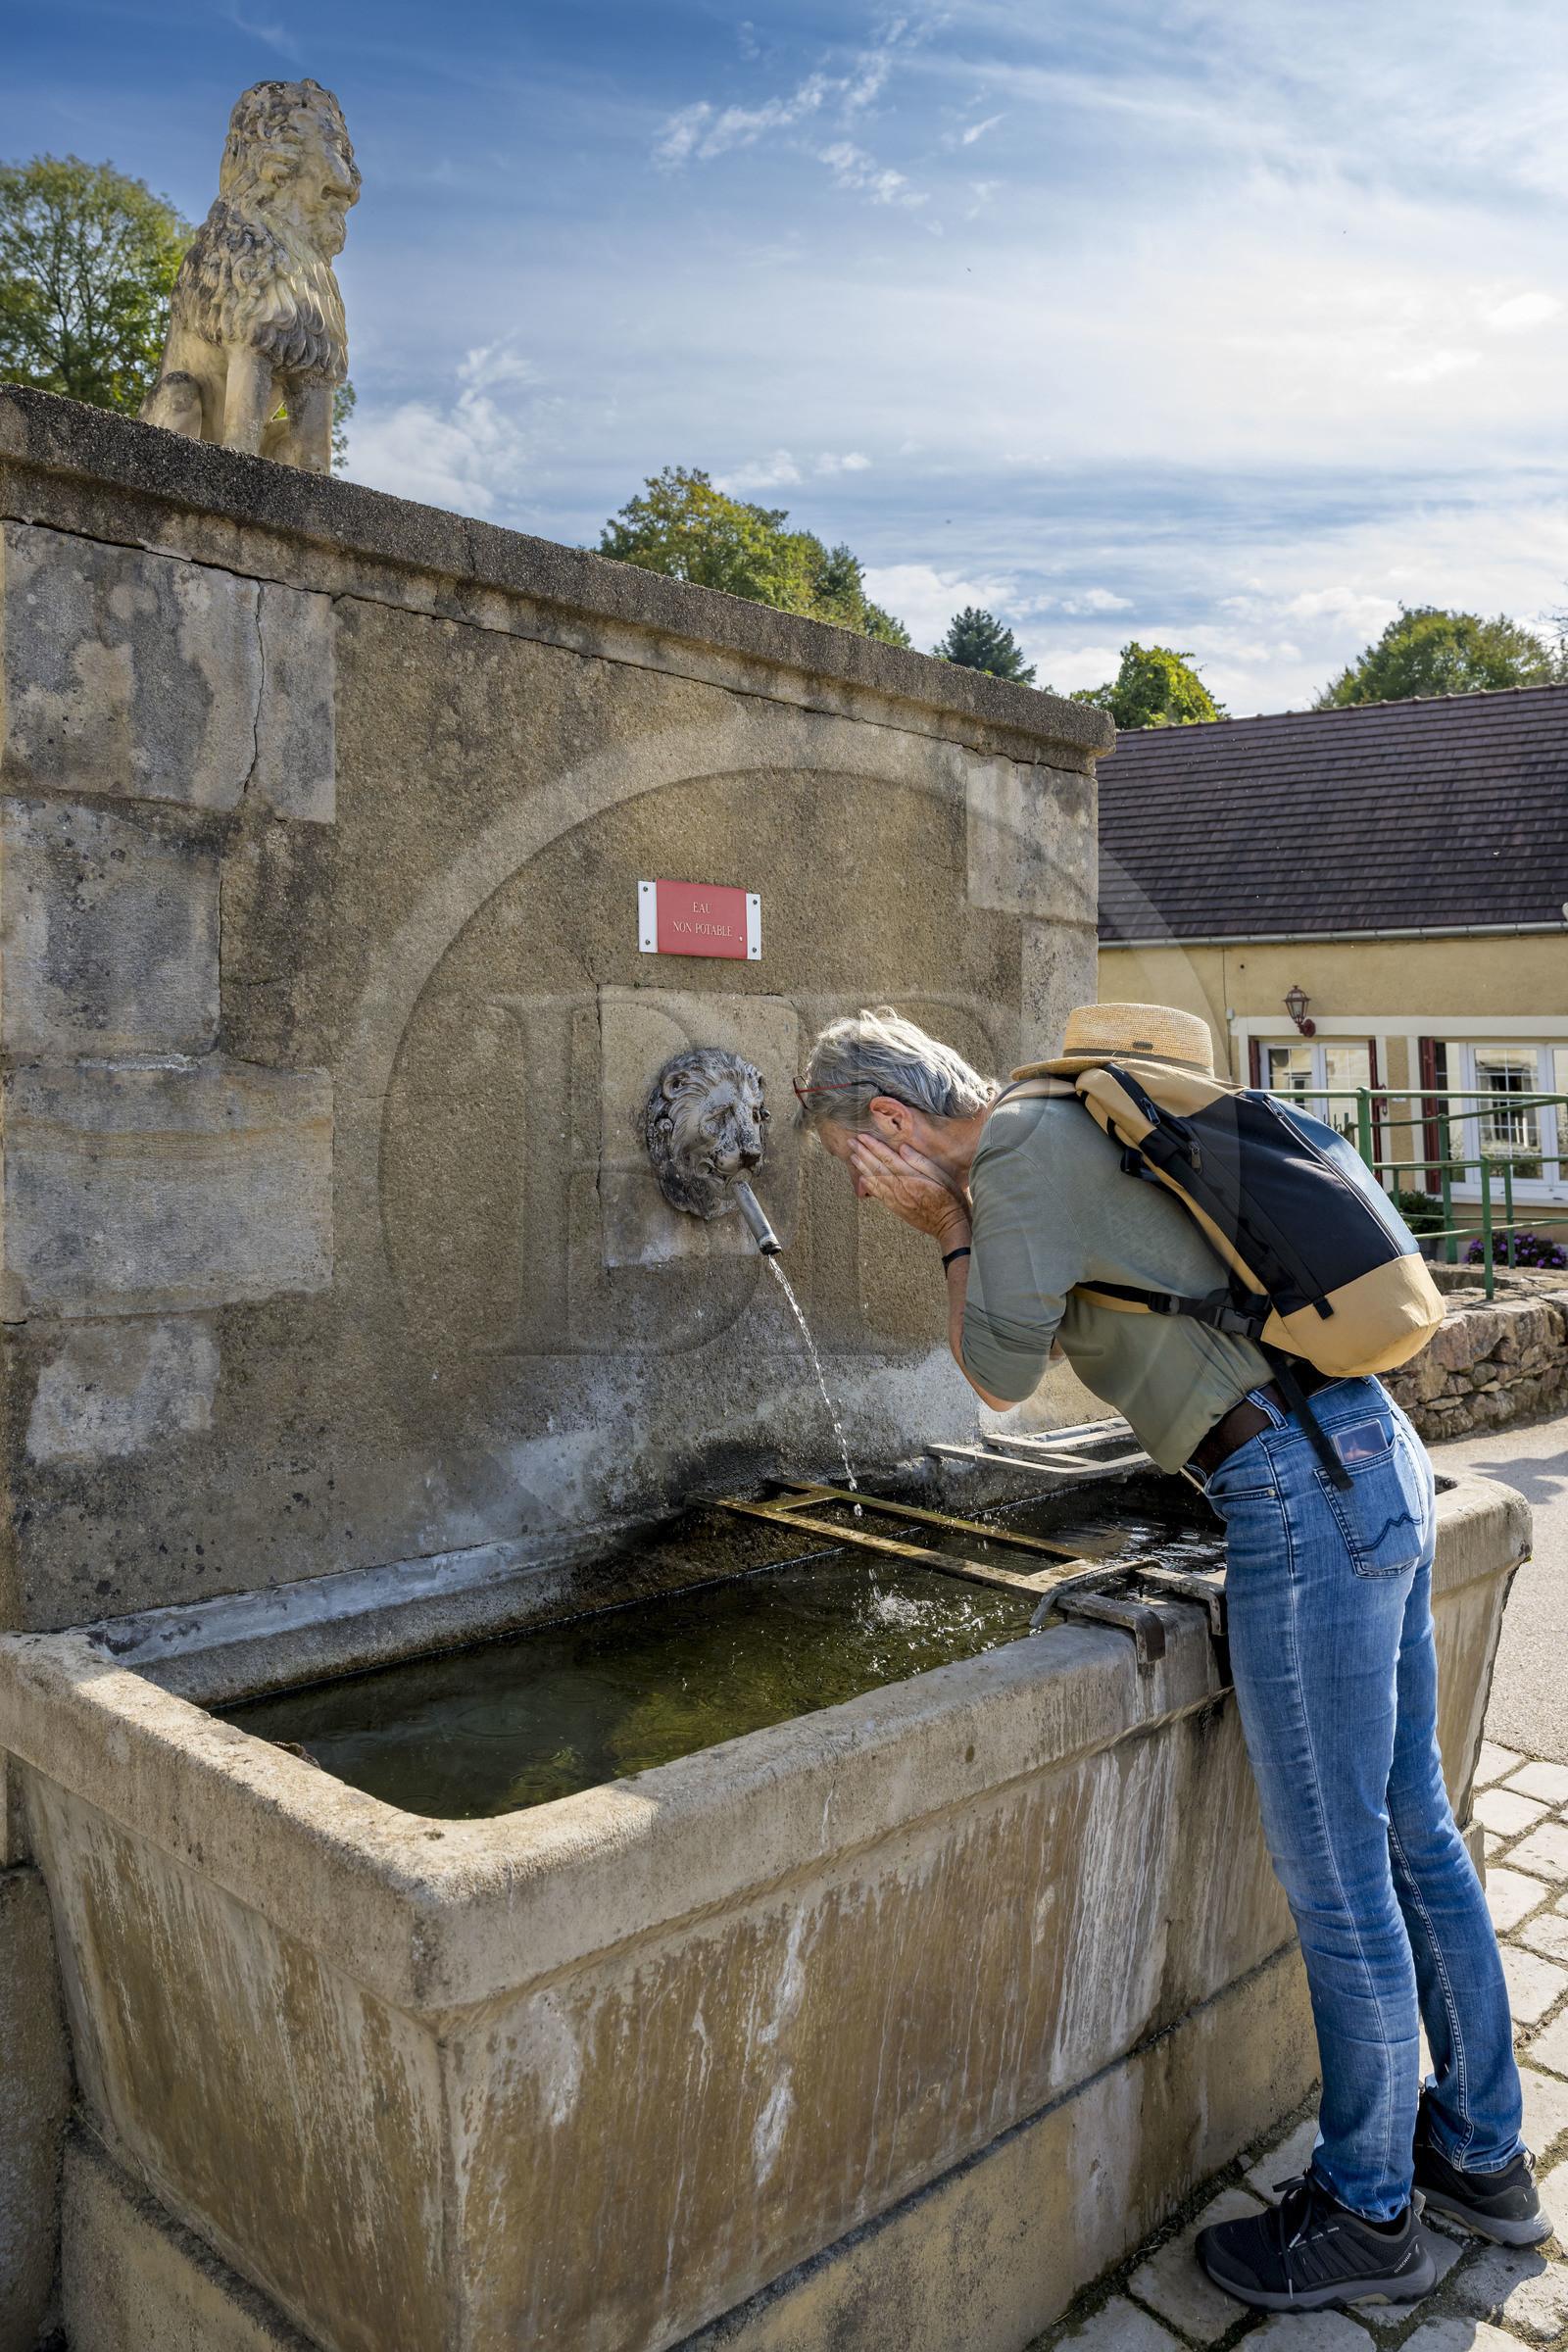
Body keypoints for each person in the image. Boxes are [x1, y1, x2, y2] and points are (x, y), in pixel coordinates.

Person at [796, 1001, 1547, 2312]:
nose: (863, 1188)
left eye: (851, 1164)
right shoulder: (1082, 1116)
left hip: (1299, 1497)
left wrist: (946, 1226)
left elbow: (994, 1373)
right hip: (1371, 1460)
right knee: (1412, 1831)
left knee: (1340, 1877)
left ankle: (1370, 2210)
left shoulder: (1019, 1154)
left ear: (890, 1124)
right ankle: (1485, 2157)